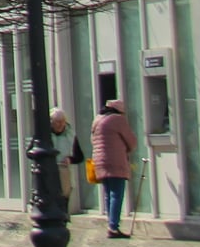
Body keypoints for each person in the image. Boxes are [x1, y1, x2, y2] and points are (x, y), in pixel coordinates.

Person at [91, 97, 137, 238]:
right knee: (117, 193)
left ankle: (111, 223)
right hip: (115, 160)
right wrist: (128, 149)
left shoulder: (97, 120)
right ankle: (113, 227)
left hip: (99, 161)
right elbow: (131, 141)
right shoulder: (117, 120)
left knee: (108, 193)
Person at [49, 108, 84, 203]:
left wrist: (70, 159)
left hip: (65, 174)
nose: (61, 124)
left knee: (63, 203)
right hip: (48, 174)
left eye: (63, 121)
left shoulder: (71, 134)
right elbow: (30, 152)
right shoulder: (44, 134)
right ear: (51, 122)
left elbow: (80, 157)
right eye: (57, 122)